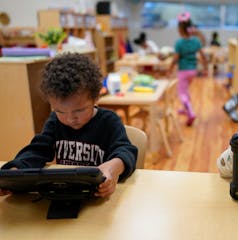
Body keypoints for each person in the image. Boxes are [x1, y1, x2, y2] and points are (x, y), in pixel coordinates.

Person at [0, 52, 138, 198]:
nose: (70, 118)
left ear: (96, 97)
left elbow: (125, 150)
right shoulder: (54, 121)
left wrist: (113, 168)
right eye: (60, 111)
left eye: (79, 110)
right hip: (66, 193)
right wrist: (15, 172)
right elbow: (37, 150)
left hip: (99, 196)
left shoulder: (109, 121)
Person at [168, 12, 208, 126]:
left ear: (180, 29)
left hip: (183, 71)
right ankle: (185, 109)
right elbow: (203, 56)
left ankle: (190, 112)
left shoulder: (179, 43)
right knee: (185, 90)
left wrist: (170, 69)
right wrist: (205, 68)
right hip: (193, 71)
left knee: (181, 93)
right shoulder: (196, 40)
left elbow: (175, 58)